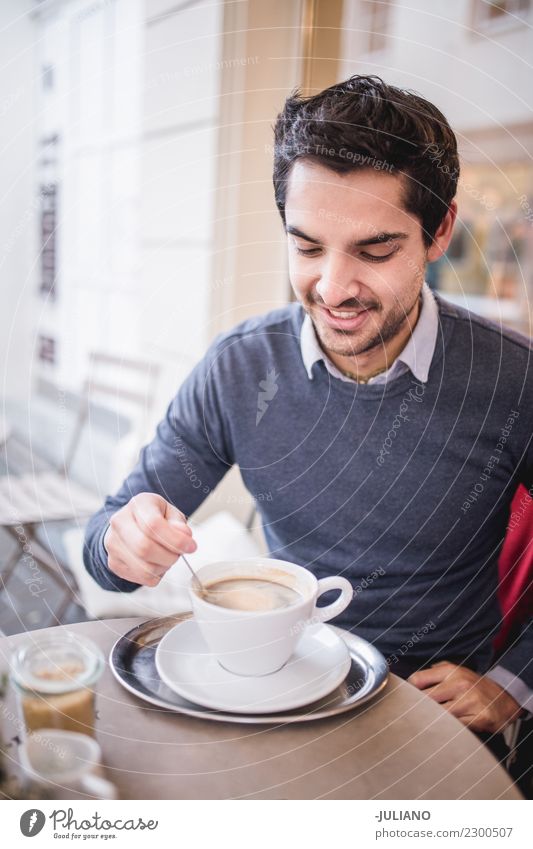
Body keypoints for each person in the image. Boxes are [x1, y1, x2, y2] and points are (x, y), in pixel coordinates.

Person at [84, 75, 532, 761]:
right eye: (307, 247)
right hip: (279, 704)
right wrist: (122, 540)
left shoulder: (512, 377)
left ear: (438, 230)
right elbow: (107, 546)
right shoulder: (238, 369)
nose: (333, 287)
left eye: (375, 250)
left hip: (438, 726)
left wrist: (511, 683)